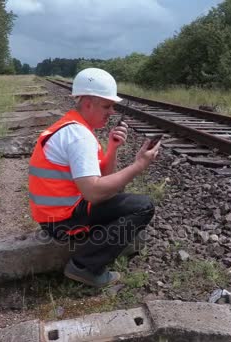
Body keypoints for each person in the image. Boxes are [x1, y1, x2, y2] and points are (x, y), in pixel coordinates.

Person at [28, 68, 161, 288]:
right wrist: (139, 165)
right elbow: (94, 192)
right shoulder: (79, 136)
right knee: (142, 206)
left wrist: (113, 148)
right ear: (88, 103)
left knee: (121, 198)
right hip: (62, 221)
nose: (111, 112)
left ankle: (89, 255)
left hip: (56, 214)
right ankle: (85, 267)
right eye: (107, 106)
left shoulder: (74, 127)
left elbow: (104, 181)